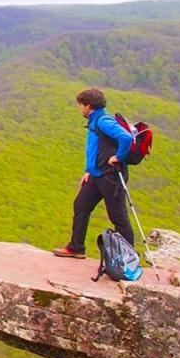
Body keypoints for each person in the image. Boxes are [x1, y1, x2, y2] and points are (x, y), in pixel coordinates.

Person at [53, 87, 135, 258]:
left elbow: (126, 138)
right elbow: (94, 148)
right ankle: (76, 248)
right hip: (97, 175)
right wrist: (88, 171)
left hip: (111, 176)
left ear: (88, 106)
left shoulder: (103, 121)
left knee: (118, 217)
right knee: (81, 205)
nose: (80, 108)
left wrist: (118, 157)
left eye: (81, 105)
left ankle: (129, 259)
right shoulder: (95, 121)